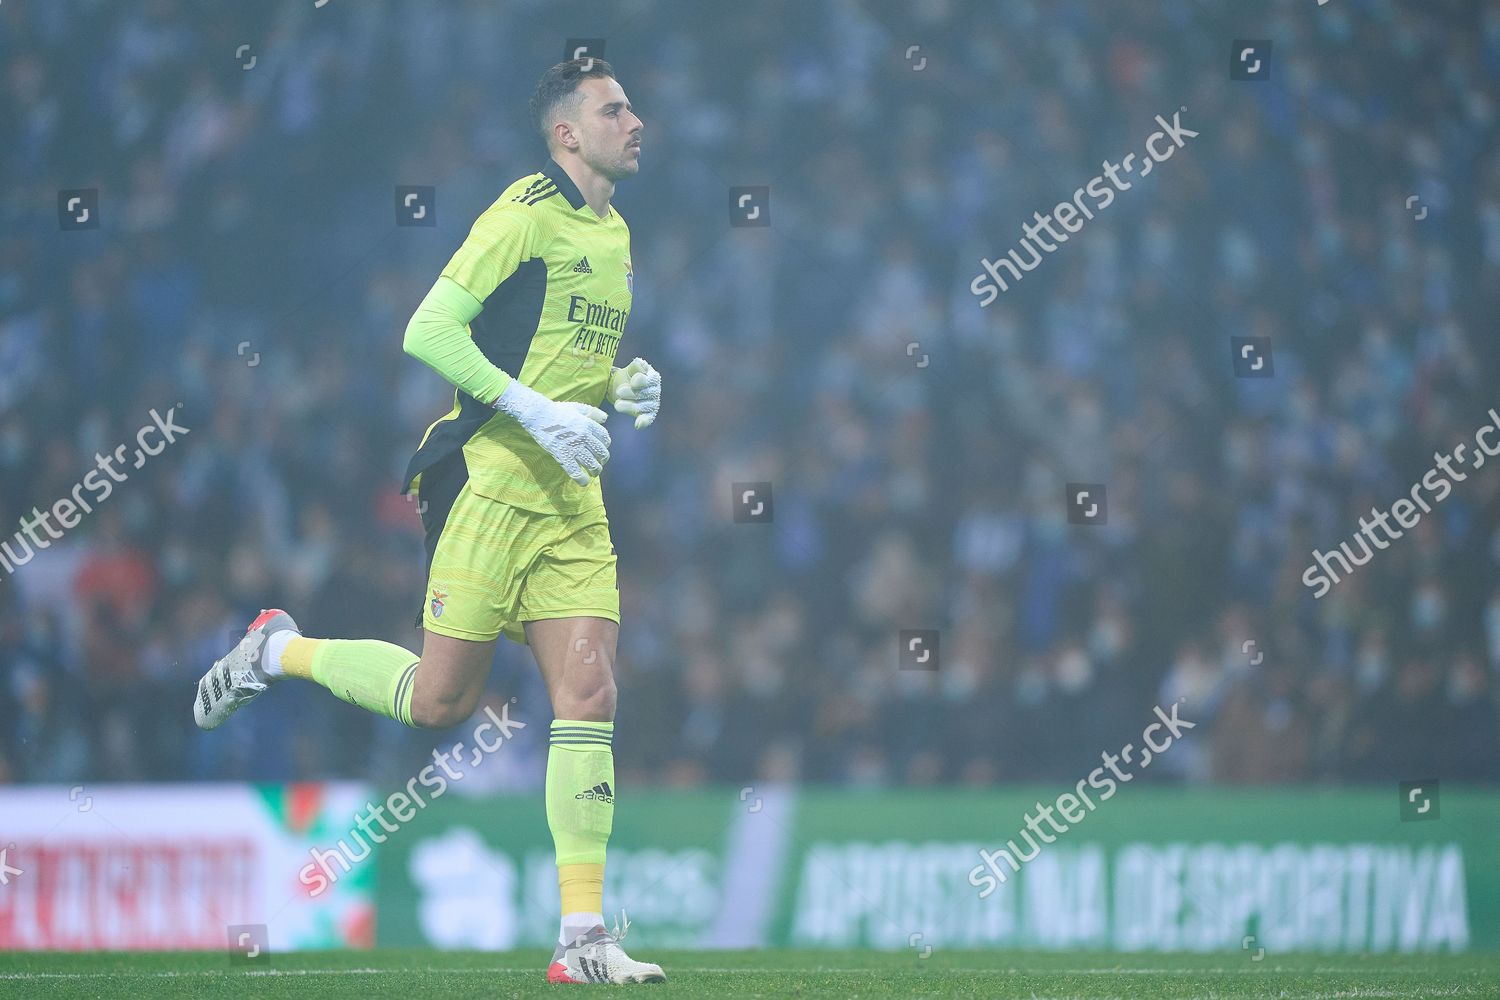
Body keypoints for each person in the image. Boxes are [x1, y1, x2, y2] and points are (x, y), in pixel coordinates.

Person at [192, 56, 665, 985]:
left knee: (591, 693)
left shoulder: (616, 233)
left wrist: (621, 383)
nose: (637, 120)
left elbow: (557, 355)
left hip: (570, 500)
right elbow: (430, 328)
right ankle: (276, 650)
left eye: (632, 105)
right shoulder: (521, 211)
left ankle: (582, 940)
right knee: (439, 703)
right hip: (484, 481)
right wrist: (534, 410)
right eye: (615, 109)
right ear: (567, 133)